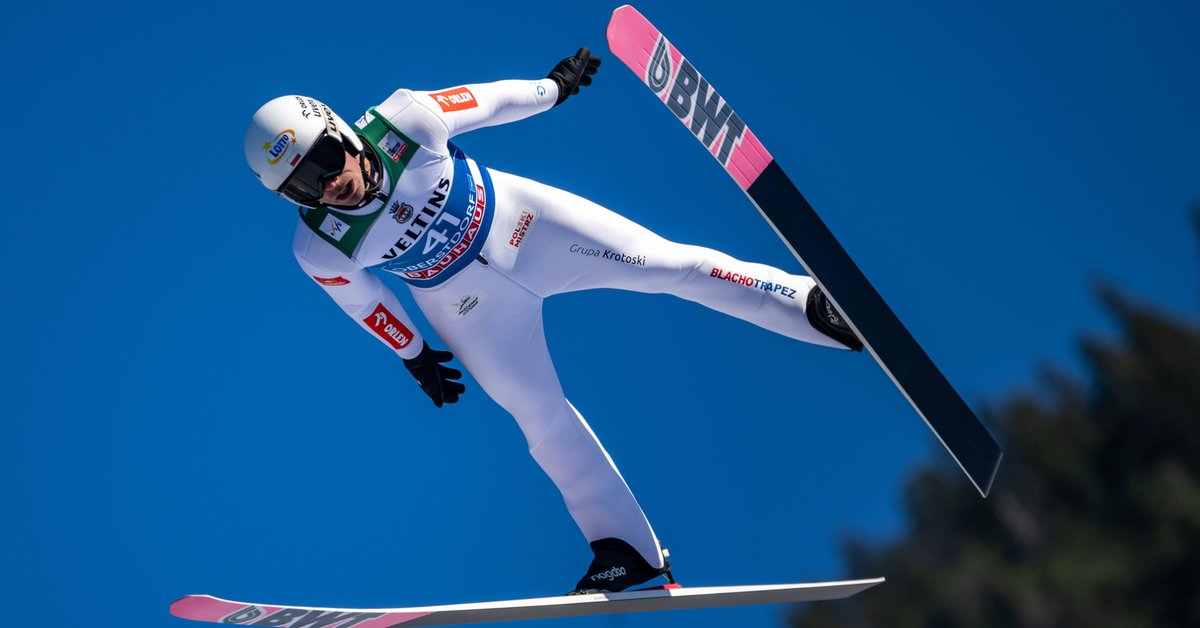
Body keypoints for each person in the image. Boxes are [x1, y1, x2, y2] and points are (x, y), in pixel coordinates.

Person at [243, 48, 861, 594]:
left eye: (324, 160)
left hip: (527, 225)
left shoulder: (405, 119)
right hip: (466, 303)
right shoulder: (319, 246)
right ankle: (628, 552)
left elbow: (488, 102)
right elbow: (362, 301)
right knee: (536, 414)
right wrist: (413, 354)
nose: (327, 186)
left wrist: (553, 88)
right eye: (302, 186)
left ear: (340, 132)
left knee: (669, 265)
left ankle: (811, 305)